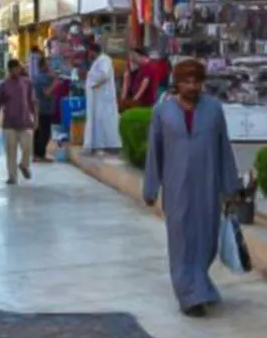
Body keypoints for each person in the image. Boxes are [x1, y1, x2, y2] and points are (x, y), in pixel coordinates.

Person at [143, 59, 240, 317]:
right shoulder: (162, 112)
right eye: (187, 81)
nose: (193, 86)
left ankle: (200, 285)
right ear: (177, 83)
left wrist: (231, 187)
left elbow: (224, 150)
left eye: (197, 81)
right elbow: (155, 153)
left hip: (208, 185)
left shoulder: (214, 110)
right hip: (176, 187)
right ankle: (189, 296)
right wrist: (151, 187)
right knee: (181, 241)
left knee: (206, 241)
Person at [0, 59, 38, 185]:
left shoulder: (27, 82)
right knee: (11, 151)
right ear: (11, 69)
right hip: (9, 124)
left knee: (27, 147)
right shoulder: (4, 85)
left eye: (20, 68)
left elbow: (32, 102)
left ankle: (24, 165)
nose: (19, 70)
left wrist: (35, 118)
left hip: (25, 122)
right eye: (16, 68)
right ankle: (12, 176)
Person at [82, 42, 122, 155]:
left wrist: (93, 83)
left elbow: (104, 75)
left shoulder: (105, 60)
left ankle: (108, 145)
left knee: (105, 121)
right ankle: (98, 145)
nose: (88, 54)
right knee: (98, 121)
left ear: (93, 51)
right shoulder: (98, 61)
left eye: (89, 52)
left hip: (104, 98)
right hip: (98, 98)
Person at [31, 57, 55, 161]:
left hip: (39, 108)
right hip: (44, 108)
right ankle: (39, 155)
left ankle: (38, 155)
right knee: (44, 133)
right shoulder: (43, 78)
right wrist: (56, 83)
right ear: (44, 66)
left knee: (39, 132)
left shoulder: (38, 77)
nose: (50, 65)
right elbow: (47, 93)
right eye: (48, 63)